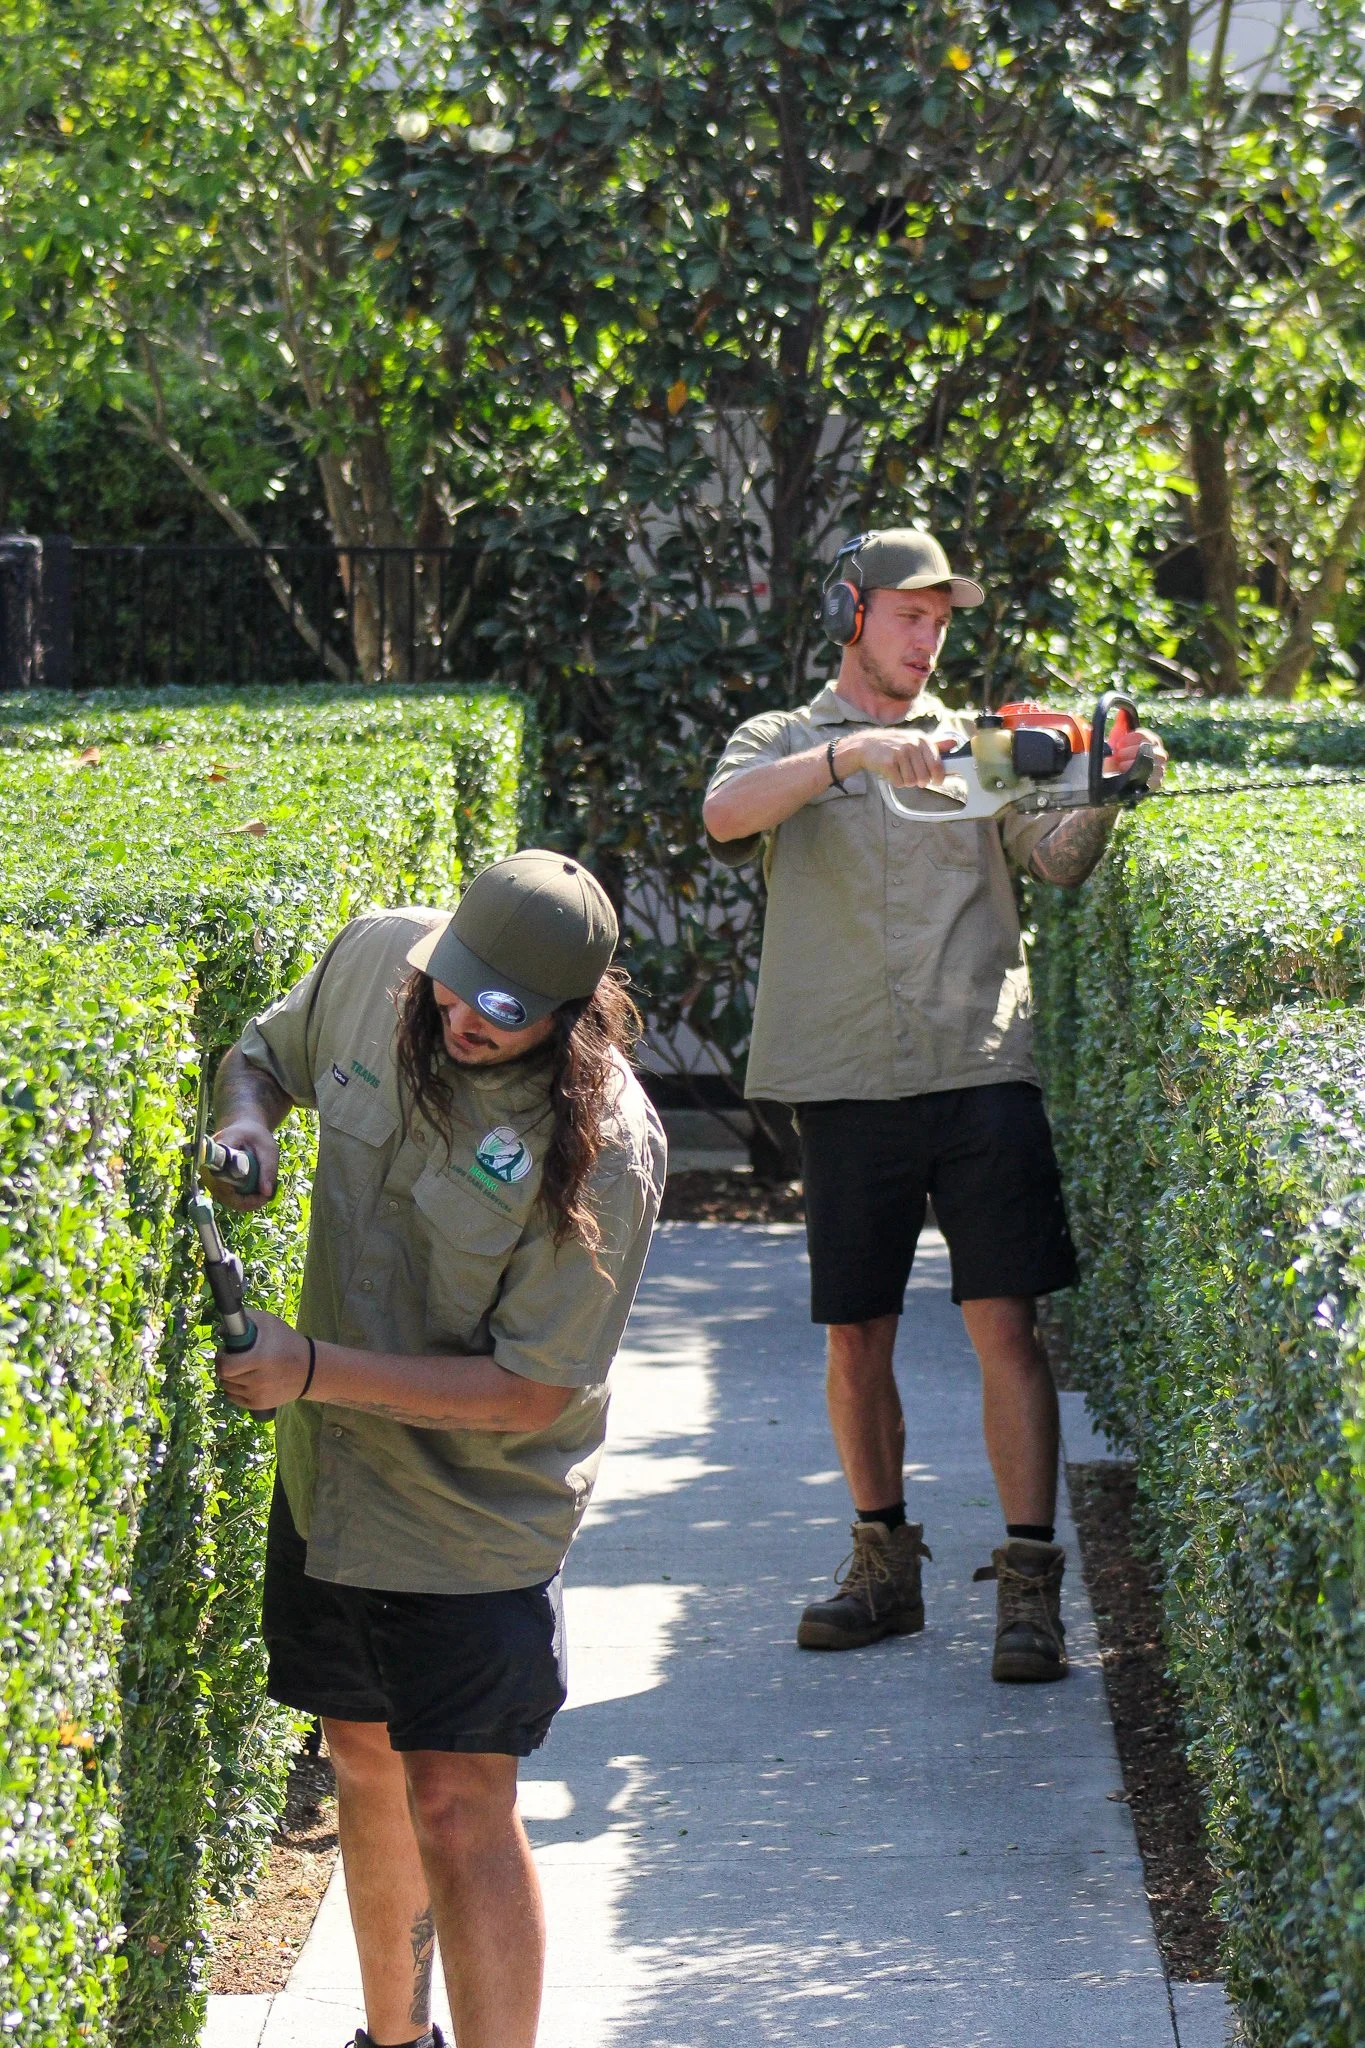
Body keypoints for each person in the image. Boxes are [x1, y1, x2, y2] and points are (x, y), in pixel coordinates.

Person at [206, 849, 665, 2048]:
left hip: (473, 1519)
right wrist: (246, 1131)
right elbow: (260, 1055)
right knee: (360, 1753)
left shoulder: (605, 1144)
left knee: (461, 1802)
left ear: (568, 1016)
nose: (462, 1018)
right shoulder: (379, 960)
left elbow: (530, 1390)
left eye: (502, 1012)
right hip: (333, 1485)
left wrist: (309, 1368)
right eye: (453, 986)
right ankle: (391, 2040)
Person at [701, 529, 1166, 1685]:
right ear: (851, 612)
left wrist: (1106, 792)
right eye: (908, 614)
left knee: (1005, 1322)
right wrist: (852, 755)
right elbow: (725, 813)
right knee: (857, 1329)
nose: (927, 636)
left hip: (978, 1064)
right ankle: (883, 1565)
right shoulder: (784, 738)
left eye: (940, 618)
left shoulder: (981, 749)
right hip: (848, 1074)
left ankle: (1029, 1584)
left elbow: (1055, 858)